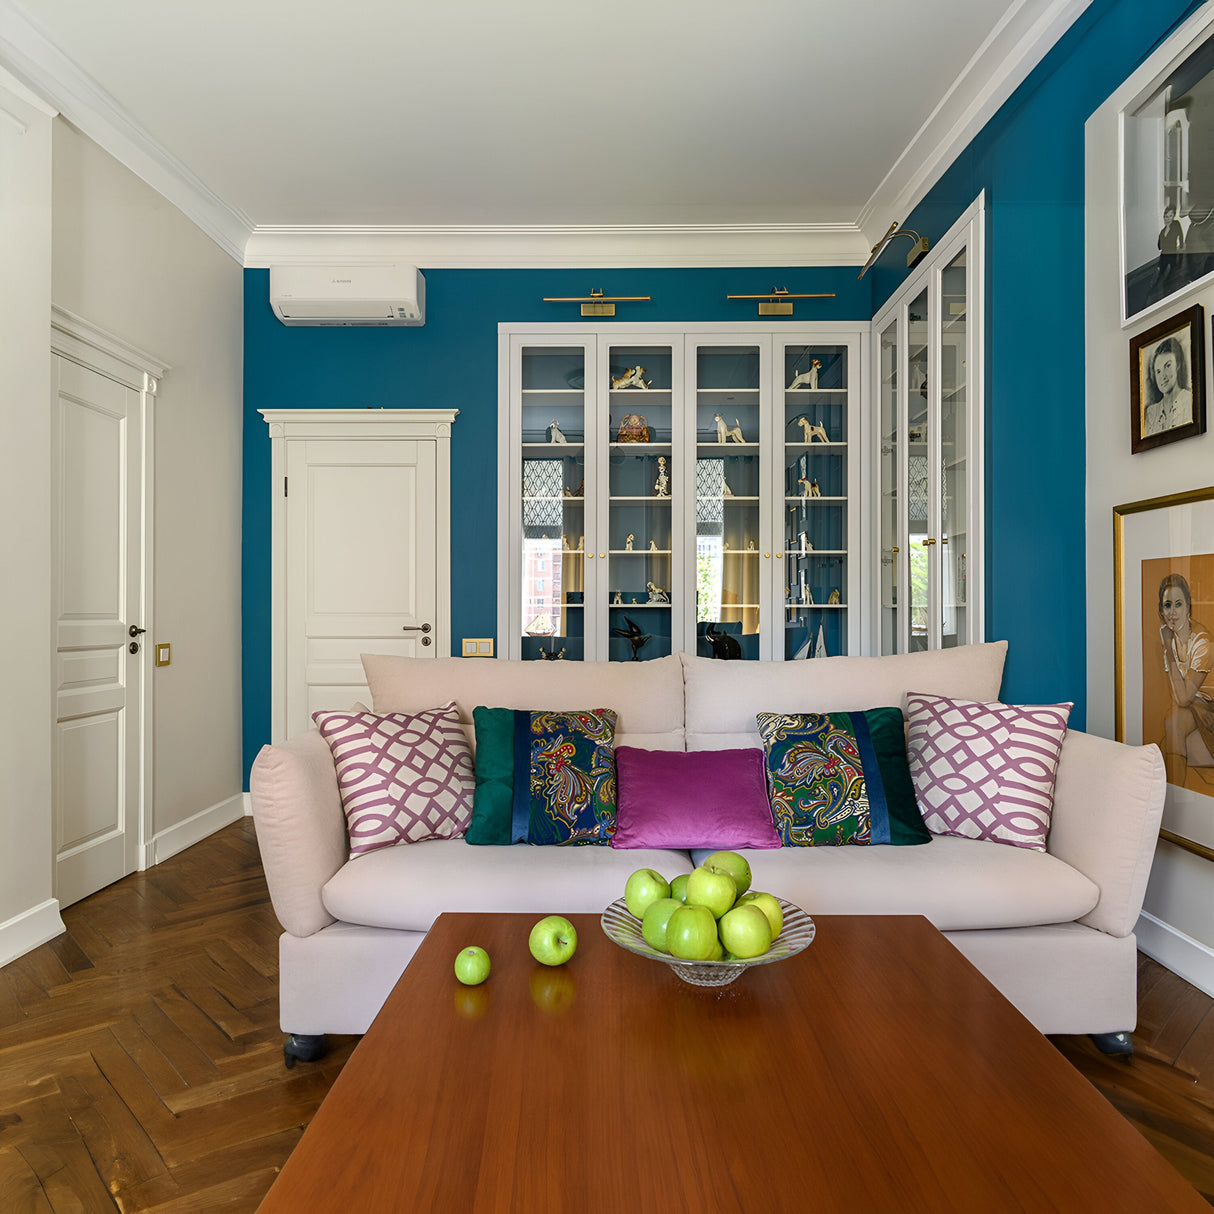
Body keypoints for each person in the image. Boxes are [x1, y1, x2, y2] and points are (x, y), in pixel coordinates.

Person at [1157, 572, 1214, 787]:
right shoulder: (1171, 642)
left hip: (1211, 713)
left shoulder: (1202, 641)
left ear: (1188, 606)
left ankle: (1175, 798)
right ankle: (1175, 797)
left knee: (1173, 725)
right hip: (1195, 711)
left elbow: (1182, 698)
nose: (1172, 613)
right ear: (1161, 610)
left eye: (1178, 604)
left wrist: (1168, 651)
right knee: (1169, 735)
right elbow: (1179, 695)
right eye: (1167, 605)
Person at [1142, 336, 1193, 436]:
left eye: (1168, 366)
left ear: (1177, 365)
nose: (1163, 376)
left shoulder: (1189, 400)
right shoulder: (1151, 413)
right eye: (1158, 371)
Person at [1150, 205, 1185, 298]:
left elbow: (1181, 236)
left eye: (1170, 216)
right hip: (1164, 255)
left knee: (1171, 275)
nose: (1168, 218)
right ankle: (1156, 293)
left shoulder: (1176, 224)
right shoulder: (1162, 231)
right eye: (1166, 216)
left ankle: (1169, 294)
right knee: (1159, 276)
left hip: (1173, 254)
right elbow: (1159, 246)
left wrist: (1181, 248)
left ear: (1173, 216)